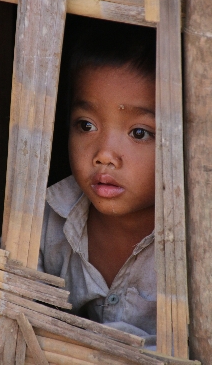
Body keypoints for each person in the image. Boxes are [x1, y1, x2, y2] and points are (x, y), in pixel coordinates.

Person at [38, 20, 157, 348]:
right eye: (86, 125)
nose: (104, 155)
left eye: (138, 132)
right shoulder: (49, 218)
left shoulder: (195, 246)